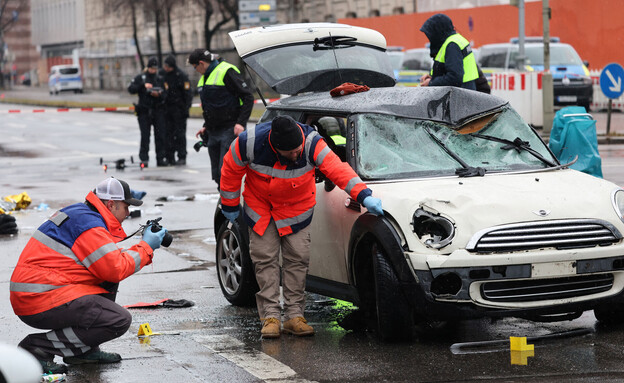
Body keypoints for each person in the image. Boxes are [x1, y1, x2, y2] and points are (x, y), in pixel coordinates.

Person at [219, 115, 384, 339]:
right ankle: (270, 317)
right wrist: (229, 204)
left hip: (296, 210)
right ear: (276, 148)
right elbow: (231, 170)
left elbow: (337, 169)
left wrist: (364, 196)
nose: (297, 154)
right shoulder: (248, 144)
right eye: (292, 153)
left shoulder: (312, 143)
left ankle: (294, 316)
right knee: (264, 259)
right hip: (262, 209)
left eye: (298, 149)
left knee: (297, 260)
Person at [10, 177, 168, 374]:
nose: (128, 213)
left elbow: (108, 266)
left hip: (39, 291)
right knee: (118, 320)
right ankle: (37, 348)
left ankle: (83, 352)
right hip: (38, 296)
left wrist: (142, 247)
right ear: (111, 204)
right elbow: (116, 267)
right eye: (125, 206)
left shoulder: (82, 215)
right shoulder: (89, 226)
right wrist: (146, 246)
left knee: (108, 282)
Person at [187, 49, 254, 188]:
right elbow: (212, 105)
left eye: (195, 67)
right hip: (213, 131)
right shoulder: (205, 77)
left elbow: (248, 97)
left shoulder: (226, 71)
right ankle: (225, 203)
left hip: (230, 128)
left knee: (227, 172)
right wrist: (206, 125)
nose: (195, 71)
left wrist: (241, 123)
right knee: (217, 174)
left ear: (201, 63)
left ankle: (232, 206)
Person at [419, 13, 479, 90]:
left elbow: (454, 78)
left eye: (431, 34)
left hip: (460, 95)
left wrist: (431, 83)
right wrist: (432, 77)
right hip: (466, 91)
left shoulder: (452, 45)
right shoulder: (456, 39)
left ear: (438, 32)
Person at [128, 57, 169, 167]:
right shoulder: (141, 78)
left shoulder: (160, 78)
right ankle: (144, 159)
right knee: (145, 136)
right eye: (151, 68)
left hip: (158, 111)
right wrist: (143, 86)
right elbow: (131, 89)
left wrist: (159, 94)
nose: (153, 71)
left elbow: (166, 94)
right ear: (148, 67)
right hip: (144, 111)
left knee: (160, 136)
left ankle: (160, 158)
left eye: (155, 69)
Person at [162, 55, 193, 166]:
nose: (165, 68)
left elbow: (188, 93)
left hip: (179, 110)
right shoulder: (163, 75)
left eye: (167, 66)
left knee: (180, 135)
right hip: (167, 110)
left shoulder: (181, 75)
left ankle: (182, 156)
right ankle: (169, 157)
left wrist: (186, 108)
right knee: (168, 135)